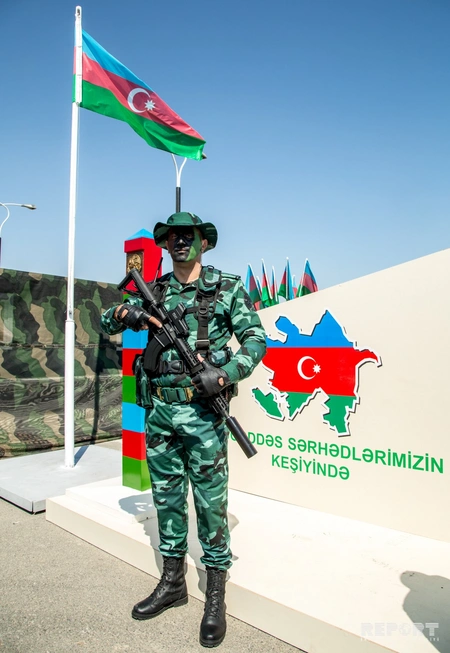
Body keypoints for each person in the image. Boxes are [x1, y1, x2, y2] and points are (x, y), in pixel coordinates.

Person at [100, 211, 266, 648]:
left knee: (211, 504)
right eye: (172, 237)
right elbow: (106, 320)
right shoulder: (154, 290)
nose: (179, 242)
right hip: (159, 413)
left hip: (204, 415)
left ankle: (215, 593)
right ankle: (172, 582)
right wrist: (127, 312)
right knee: (166, 498)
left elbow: (256, 340)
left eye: (187, 236)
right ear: (164, 244)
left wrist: (224, 374)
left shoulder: (225, 288)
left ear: (203, 242)